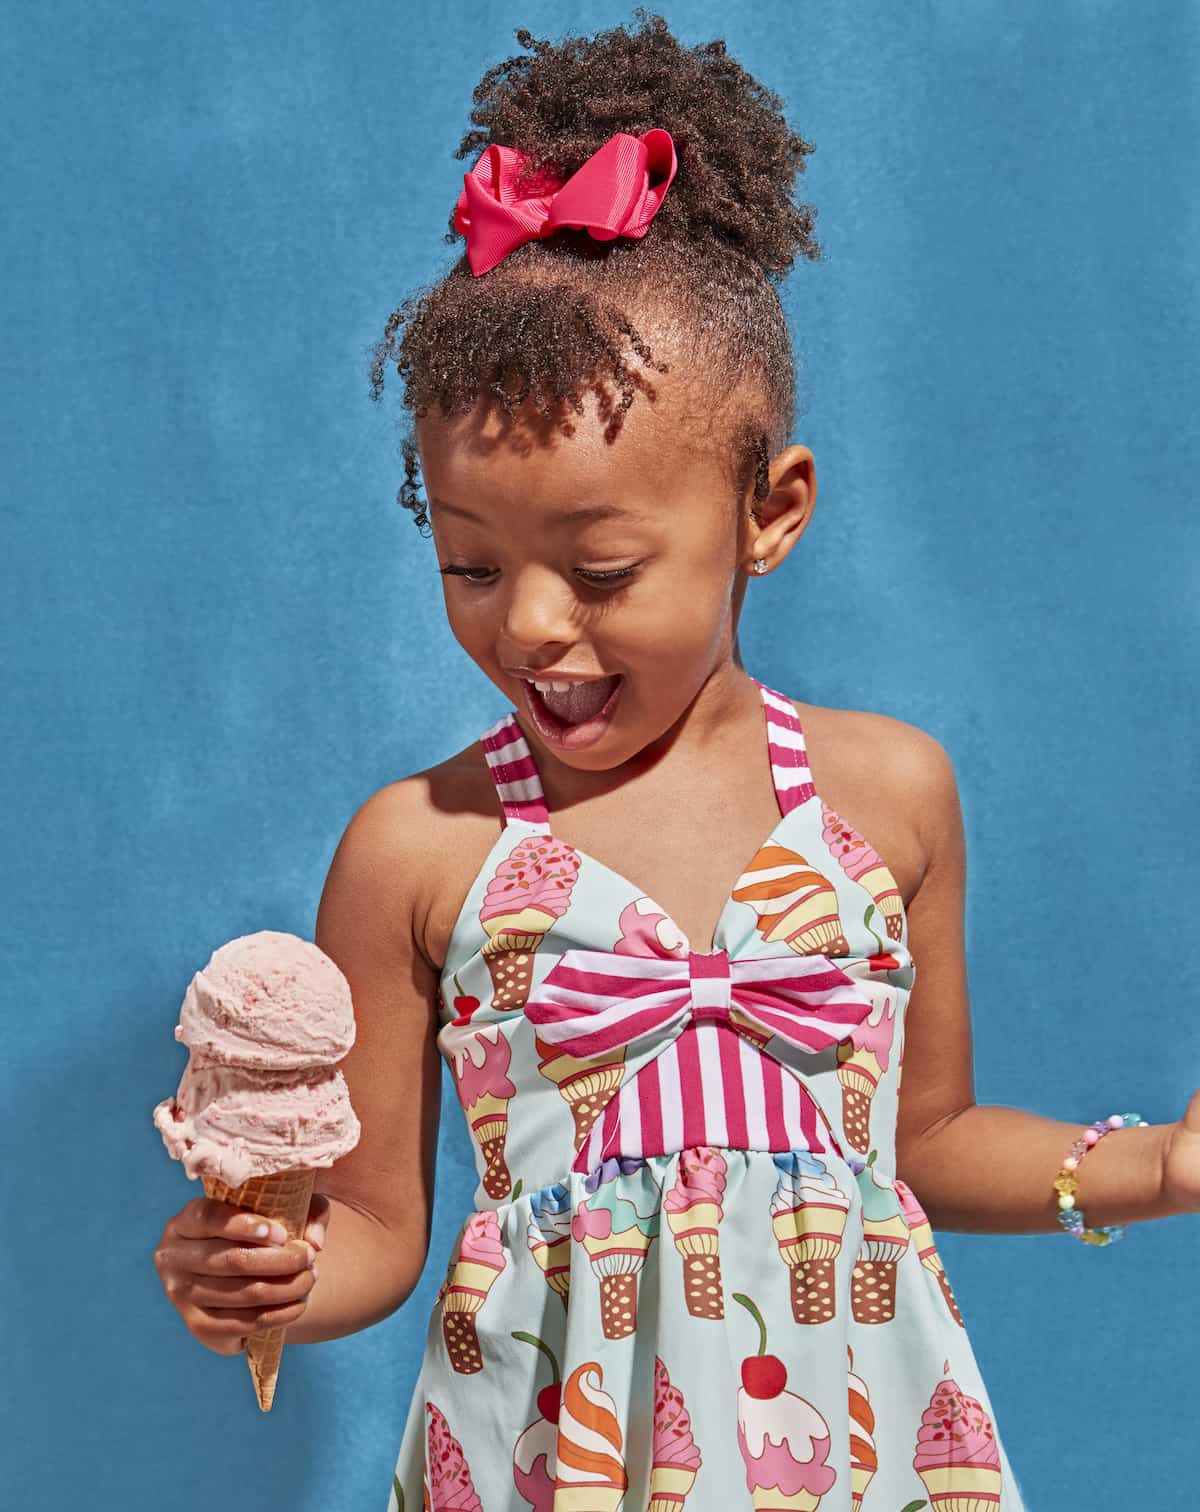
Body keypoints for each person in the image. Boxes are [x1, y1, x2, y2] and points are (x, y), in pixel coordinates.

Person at [152, 12, 1200, 1508]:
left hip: (852, 1446)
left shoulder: (887, 797)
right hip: (548, 1452)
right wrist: (272, 1276)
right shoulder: (419, 849)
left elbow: (930, 1140)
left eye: (599, 568)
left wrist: (1154, 1167)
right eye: (468, 567)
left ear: (769, 513)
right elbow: (377, 1229)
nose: (528, 625)